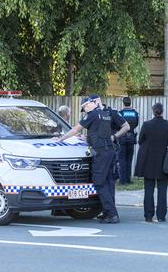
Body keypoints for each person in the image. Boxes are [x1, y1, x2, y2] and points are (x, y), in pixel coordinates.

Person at [55, 96, 120, 224]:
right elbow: (99, 134)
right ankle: (108, 212)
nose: (84, 110)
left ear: (89, 104)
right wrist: (86, 138)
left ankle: (112, 214)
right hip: (109, 151)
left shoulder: (92, 115)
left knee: (99, 183)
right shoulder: (105, 114)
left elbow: (75, 129)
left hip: (101, 153)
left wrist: (60, 139)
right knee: (107, 183)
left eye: (84, 107)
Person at [134, 103, 168, 222]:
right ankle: (161, 216)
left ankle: (148, 216)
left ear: (153, 111)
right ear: (162, 111)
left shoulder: (147, 125)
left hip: (148, 162)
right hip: (164, 162)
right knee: (162, 191)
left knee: (148, 189)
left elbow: (140, 140)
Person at [97, 97, 130, 181]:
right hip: (97, 149)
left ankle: (124, 180)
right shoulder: (92, 114)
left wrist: (114, 136)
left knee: (111, 175)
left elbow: (126, 126)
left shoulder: (112, 112)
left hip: (110, 148)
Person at [118, 97, 140, 185]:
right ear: (130, 103)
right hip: (131, 137)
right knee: (129, 159)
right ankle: (128, 179)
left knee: (122, 159)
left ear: (123, 103)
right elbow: (137, 123)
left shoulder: (120, 113)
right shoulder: (135, 113)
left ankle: (122, 180)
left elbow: (118, 124)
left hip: (122, 138)